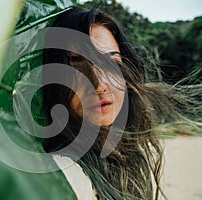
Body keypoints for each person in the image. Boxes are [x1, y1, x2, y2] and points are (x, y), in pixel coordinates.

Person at [41, 7, 201, 200]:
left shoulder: (126, 154)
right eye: (77, 68)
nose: (99, 85)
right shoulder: (67, 173)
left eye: (110, 64)